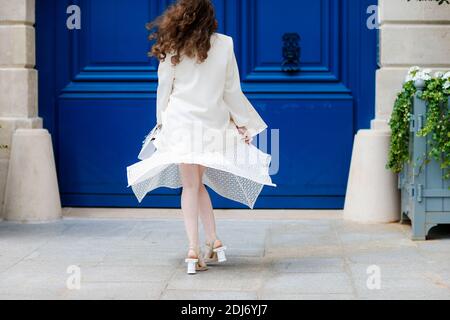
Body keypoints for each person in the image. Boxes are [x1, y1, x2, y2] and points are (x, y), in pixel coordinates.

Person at [126, 0, 276, 274]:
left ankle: (193, 249)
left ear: (181, 15)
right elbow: (231, 90)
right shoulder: (225, 44)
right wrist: (244, 124)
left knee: (190, 186)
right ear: (210, 17)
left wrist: (161, 125)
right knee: (197, 183)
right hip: (210, 124)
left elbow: (164, 89)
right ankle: (213, 240)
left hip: (181, 123)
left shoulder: (173, 43)